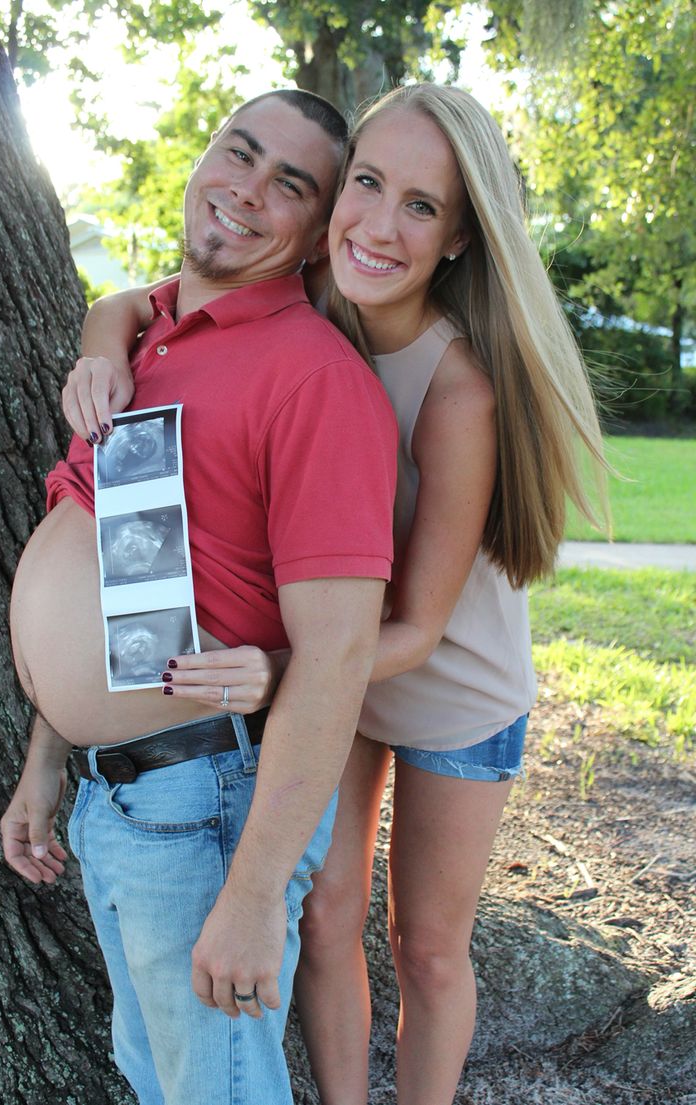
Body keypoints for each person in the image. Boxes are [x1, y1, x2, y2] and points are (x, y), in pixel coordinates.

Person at [61, 83, 609, 1104]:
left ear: (456, 238)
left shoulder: (459, 390)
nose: (378, 223)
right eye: (366, 184)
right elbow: (137, 303)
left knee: (426, 944)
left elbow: (418, 626)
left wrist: (281, 667)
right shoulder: (311, 301)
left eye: (420, 206)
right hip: (334, 677)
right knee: (324, 915)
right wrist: (101, 348)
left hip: (443, 683)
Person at [0, 89, 398, 1105]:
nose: (247, 191)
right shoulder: (160, 334)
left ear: (316, 231)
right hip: (118, 795)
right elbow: (134, 575)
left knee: (215, 1089)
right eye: (240, 153)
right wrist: (53, 752)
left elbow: (338, 656)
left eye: (290, 184)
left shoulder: (314, 380)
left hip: (205, 809)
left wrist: (258, 893)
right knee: (162, 1075)